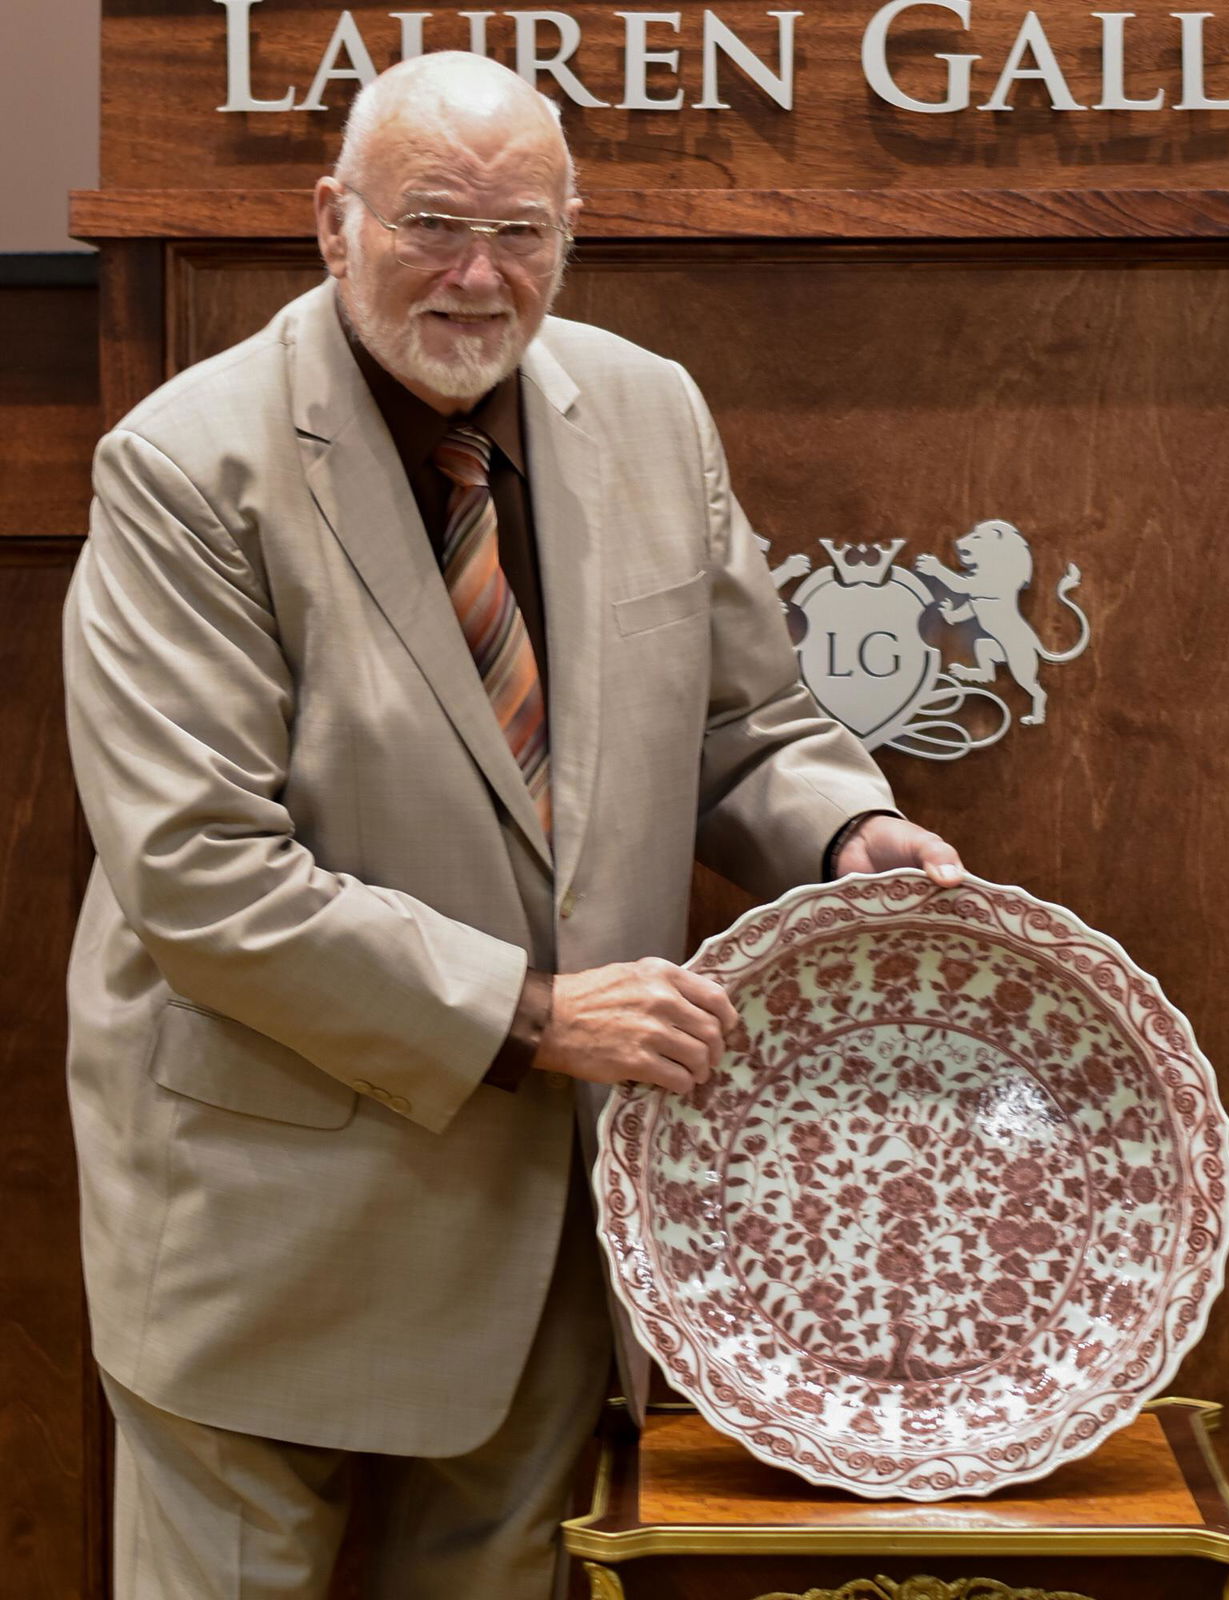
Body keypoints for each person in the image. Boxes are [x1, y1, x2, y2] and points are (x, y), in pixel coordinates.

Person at [62, 49, 963, 1600]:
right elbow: (198, 876)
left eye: (524, 233)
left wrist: (841, 838)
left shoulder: (651, 411)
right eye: (431, 225)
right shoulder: (184, 466)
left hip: (547, 1237)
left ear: (573, 230)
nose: (480, 278)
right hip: (260, 1238)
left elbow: (750, 726)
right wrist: (534, 1015)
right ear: (332, 220)